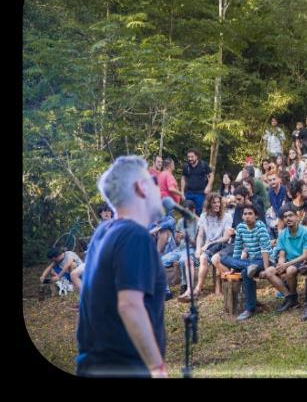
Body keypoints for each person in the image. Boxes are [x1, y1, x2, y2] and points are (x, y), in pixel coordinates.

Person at [76, 156, 168, 378]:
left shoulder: (103, 232)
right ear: (142, 187)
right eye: (154, 182)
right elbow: (129, 306)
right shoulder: (134, 235)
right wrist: (157, 367)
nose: (159, 190)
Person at [217, 204, 273, 321]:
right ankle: (249, 267)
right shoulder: (241, 228)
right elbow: (237, 248)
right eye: (245, 214)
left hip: (264, 259)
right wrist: (233, 267)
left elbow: (265, 249)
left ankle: (249, 309)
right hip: (251, 261)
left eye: (250, 214)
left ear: (256, 216)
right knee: (223, 258)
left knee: (246, 273)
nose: (247, 216)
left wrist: (266, 268)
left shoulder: (260, 226)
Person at [177, 193, 232, 301]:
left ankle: (197, 290)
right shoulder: (203, 216)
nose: (217, 205)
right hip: (209, 247)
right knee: (200, 257)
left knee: (204, 256)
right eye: (214, 202)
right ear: (208, 204)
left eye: (218, 202)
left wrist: (207, 245)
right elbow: (200, 235)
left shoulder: (227, 217)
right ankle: (193, 290)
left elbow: (225, 238)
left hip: (222, 245)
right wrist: (198, 248)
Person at [264, 205, 307, 312]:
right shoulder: (282, 234)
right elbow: (282, 254)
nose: (288, 218)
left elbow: (305, 255)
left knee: (290, 270)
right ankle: (289, 297)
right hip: (289, 261)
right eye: (285, 217)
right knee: (269, 272)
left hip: (304, 261)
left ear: (297, 217)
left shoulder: (306, 232)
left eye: (291, 215)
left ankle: (293, 295)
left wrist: (286, 265)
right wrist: (281, 264)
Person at [161, 200, 198, 295]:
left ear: (193, 211)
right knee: (161, 261)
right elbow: (177, 241)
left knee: (183, 260)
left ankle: (184, 284)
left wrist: (188, 238)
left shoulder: (198, 223)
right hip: (179, 249)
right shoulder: (181, 222)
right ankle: (166, 291)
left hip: (192, 249)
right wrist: (178, 238)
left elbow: (198, 245)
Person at [181, 149, 213, 216]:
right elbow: (183, 179)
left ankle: (197, 225)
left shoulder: (203, 165)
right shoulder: (186, 166)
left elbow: (211, 175)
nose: (190, 158)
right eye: (188, 157)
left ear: (196, 156)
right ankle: (187, 225)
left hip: (200, 193)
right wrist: (182, 192)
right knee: (186, 211)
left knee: (199, 212)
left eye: (192, 157)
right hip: (189, 192)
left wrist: (208, 186)